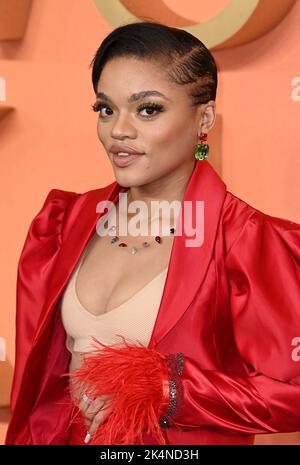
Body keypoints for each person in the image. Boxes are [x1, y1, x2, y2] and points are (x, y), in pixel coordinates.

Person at [5, 20, 300, 446]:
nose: (119, 130)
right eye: (106, 109)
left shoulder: (245, 240)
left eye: (148, 109)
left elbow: (291, 390)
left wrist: (170, 390)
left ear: (204, 118)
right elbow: (41, 395)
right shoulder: (66, 222)